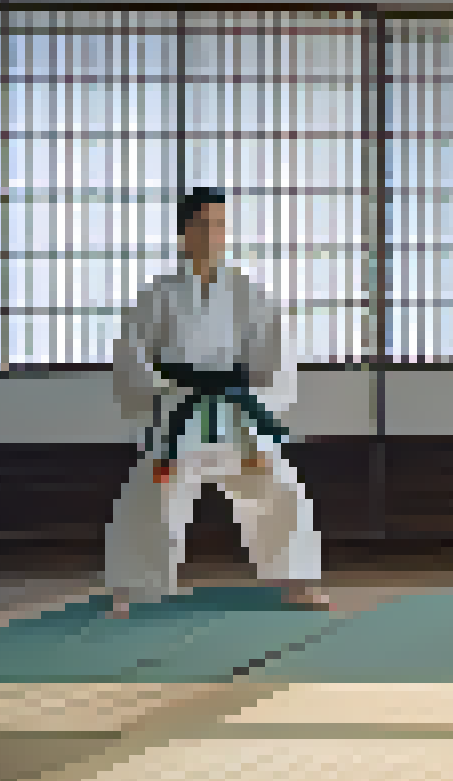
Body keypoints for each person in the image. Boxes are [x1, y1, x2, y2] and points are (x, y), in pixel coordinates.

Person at [102, 187, 329, 618]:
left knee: (279, 487)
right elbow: (132, 358)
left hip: (236, 414)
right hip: (179, 410)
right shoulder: (159, 295)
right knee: (152, 495)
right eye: (203, 225)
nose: (213, 234)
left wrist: (259, 405)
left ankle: (299, 580)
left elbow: (276, 359)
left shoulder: (247, 293)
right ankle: (132, 587)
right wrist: (164, 391)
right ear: (184, 232)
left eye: (220, 225)